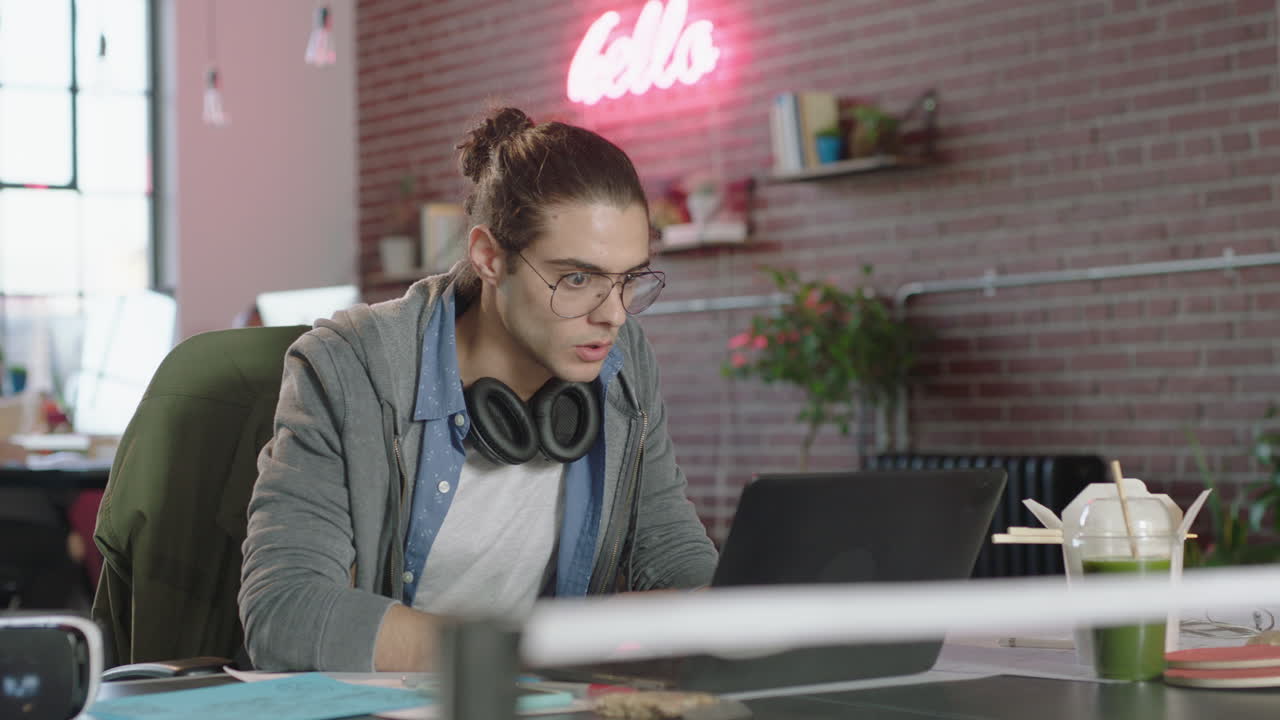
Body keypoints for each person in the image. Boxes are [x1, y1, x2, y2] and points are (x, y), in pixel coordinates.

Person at [239, 107, 718, 672]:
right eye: (578, 279)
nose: (613, 315)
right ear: (490, 257)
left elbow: (682, 567)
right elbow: (284, 613)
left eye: (629, 280)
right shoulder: (352, 366)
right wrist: (537, 647)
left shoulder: (624, 361)